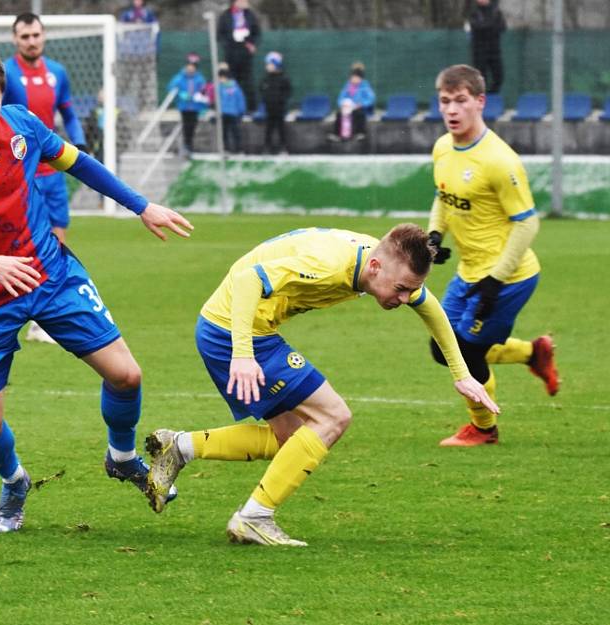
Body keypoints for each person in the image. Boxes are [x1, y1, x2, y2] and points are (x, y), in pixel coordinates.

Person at [0, 51, 191, 533]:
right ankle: (15, 482)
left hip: (50, 275)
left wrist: (140, 205)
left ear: (2, 99)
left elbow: (79, 164)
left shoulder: (22, 125)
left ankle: (121, 458)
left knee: (127, 376)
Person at [145, 224, 499, 546]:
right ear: (376, 268)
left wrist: (462, 374)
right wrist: (242, 353)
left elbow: (430, 307)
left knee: (290, 439)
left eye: (410, 290)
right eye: (401, 289)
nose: (405, 298)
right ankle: (254, 517)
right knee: (333, 416)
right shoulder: (329, 264)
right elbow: (248, 280)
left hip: (234, 329)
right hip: (234, 332)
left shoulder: (377, 262)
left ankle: (179, 447)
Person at [427, 64, 559, 447]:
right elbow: (443, 194)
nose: (452, 110)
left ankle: (484, 429)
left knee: (467, 353)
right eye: (445, 101)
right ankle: (534, 353)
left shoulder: (500, 160)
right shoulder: (442, 148)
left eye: (461, 101)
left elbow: (527, 224)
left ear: (480, 102)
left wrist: (496, 278)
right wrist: (435, 234)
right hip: (469, 272)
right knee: (442, 347)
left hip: (509, 277)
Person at [3, 13, 90, 343]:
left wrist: (78, 142)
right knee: (23, 244)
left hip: (52, 170)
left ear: (44, 36)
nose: (31, 41)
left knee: (58, 242)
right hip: (21, 171)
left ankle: (45, 320)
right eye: (24, 36)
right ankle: (14, 311)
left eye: (36, 35)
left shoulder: (58, 72)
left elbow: (67, 111)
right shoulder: (7, 73)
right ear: (15, 40)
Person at [217, 0, 261, 113]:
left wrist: (253, 45)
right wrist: (227, 46)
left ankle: (250, 108)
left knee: (248, 81)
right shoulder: (225, 15)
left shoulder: (250, 15)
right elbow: (220, 34)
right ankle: (231, 108)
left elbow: (257, 32)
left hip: (245, 53)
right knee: (231, 80)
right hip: (231, 54)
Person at [118, 0, 160, 111]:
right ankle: (120, 104)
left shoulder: (149, 14)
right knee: (126, 80)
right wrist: (123, 48)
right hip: (129, 53)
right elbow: (120, 31)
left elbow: (155, 30)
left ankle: (143, 105)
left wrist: (154, 49)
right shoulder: (126, 14)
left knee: (144, 81)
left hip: (145, 53)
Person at [166, 53, 208, 156]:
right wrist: (180, 94)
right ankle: (186, 146)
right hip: (184, 107)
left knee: (192, 127)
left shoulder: (199, 79)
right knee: (186, 126)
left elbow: (204, 91)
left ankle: (189, 146)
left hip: (195, 107)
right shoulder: (179, 77)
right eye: (189, 66)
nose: (190, 69)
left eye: (193, 67)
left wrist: (203, 106)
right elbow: (171, 87)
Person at [466, 0, 506, 94]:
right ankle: (481, 97)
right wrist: (490, 26)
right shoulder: (474, 12)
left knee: (499, 76)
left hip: (494, 50)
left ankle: (492, 96)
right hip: (479, 50)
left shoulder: (496, 11)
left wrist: (487, 26)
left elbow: (502, 27)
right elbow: (476, 27)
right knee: (480, 77)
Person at [331, 62, 374, 142]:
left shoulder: (365, 85)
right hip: (349, 108)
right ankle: (337, 134)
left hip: (361, 108)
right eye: (353, 77)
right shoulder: (348, 85)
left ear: (360, 78)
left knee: (359, 114)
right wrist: (343, 104)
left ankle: (360, 133)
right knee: (339, 113)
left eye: (356, 78)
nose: (354, 79)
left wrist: (361, 104)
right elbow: (341, 97)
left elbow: (371, 98)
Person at [259, 51, 291, 155]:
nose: (267, 66)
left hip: (280, 109)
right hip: (269, 109)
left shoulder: (284, 79)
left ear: (276, 65)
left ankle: (283, 148)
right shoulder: (265, 79)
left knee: (281, 129)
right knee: (269, 129)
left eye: (270, 64)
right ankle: (267, 148)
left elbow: (288, 92)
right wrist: (266, 100)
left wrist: (281, 101)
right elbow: (261, 90)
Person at [216, 66, 246, 154]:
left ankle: (238, 149)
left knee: (235, 132)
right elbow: (217, 100)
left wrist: (241, 111)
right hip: (223, 113)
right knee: (224, 132)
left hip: (233, 113)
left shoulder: (235, 87)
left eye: (221, 78)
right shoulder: (219, 88)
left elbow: (240, 99)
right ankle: (226, 149)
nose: (220, 80)